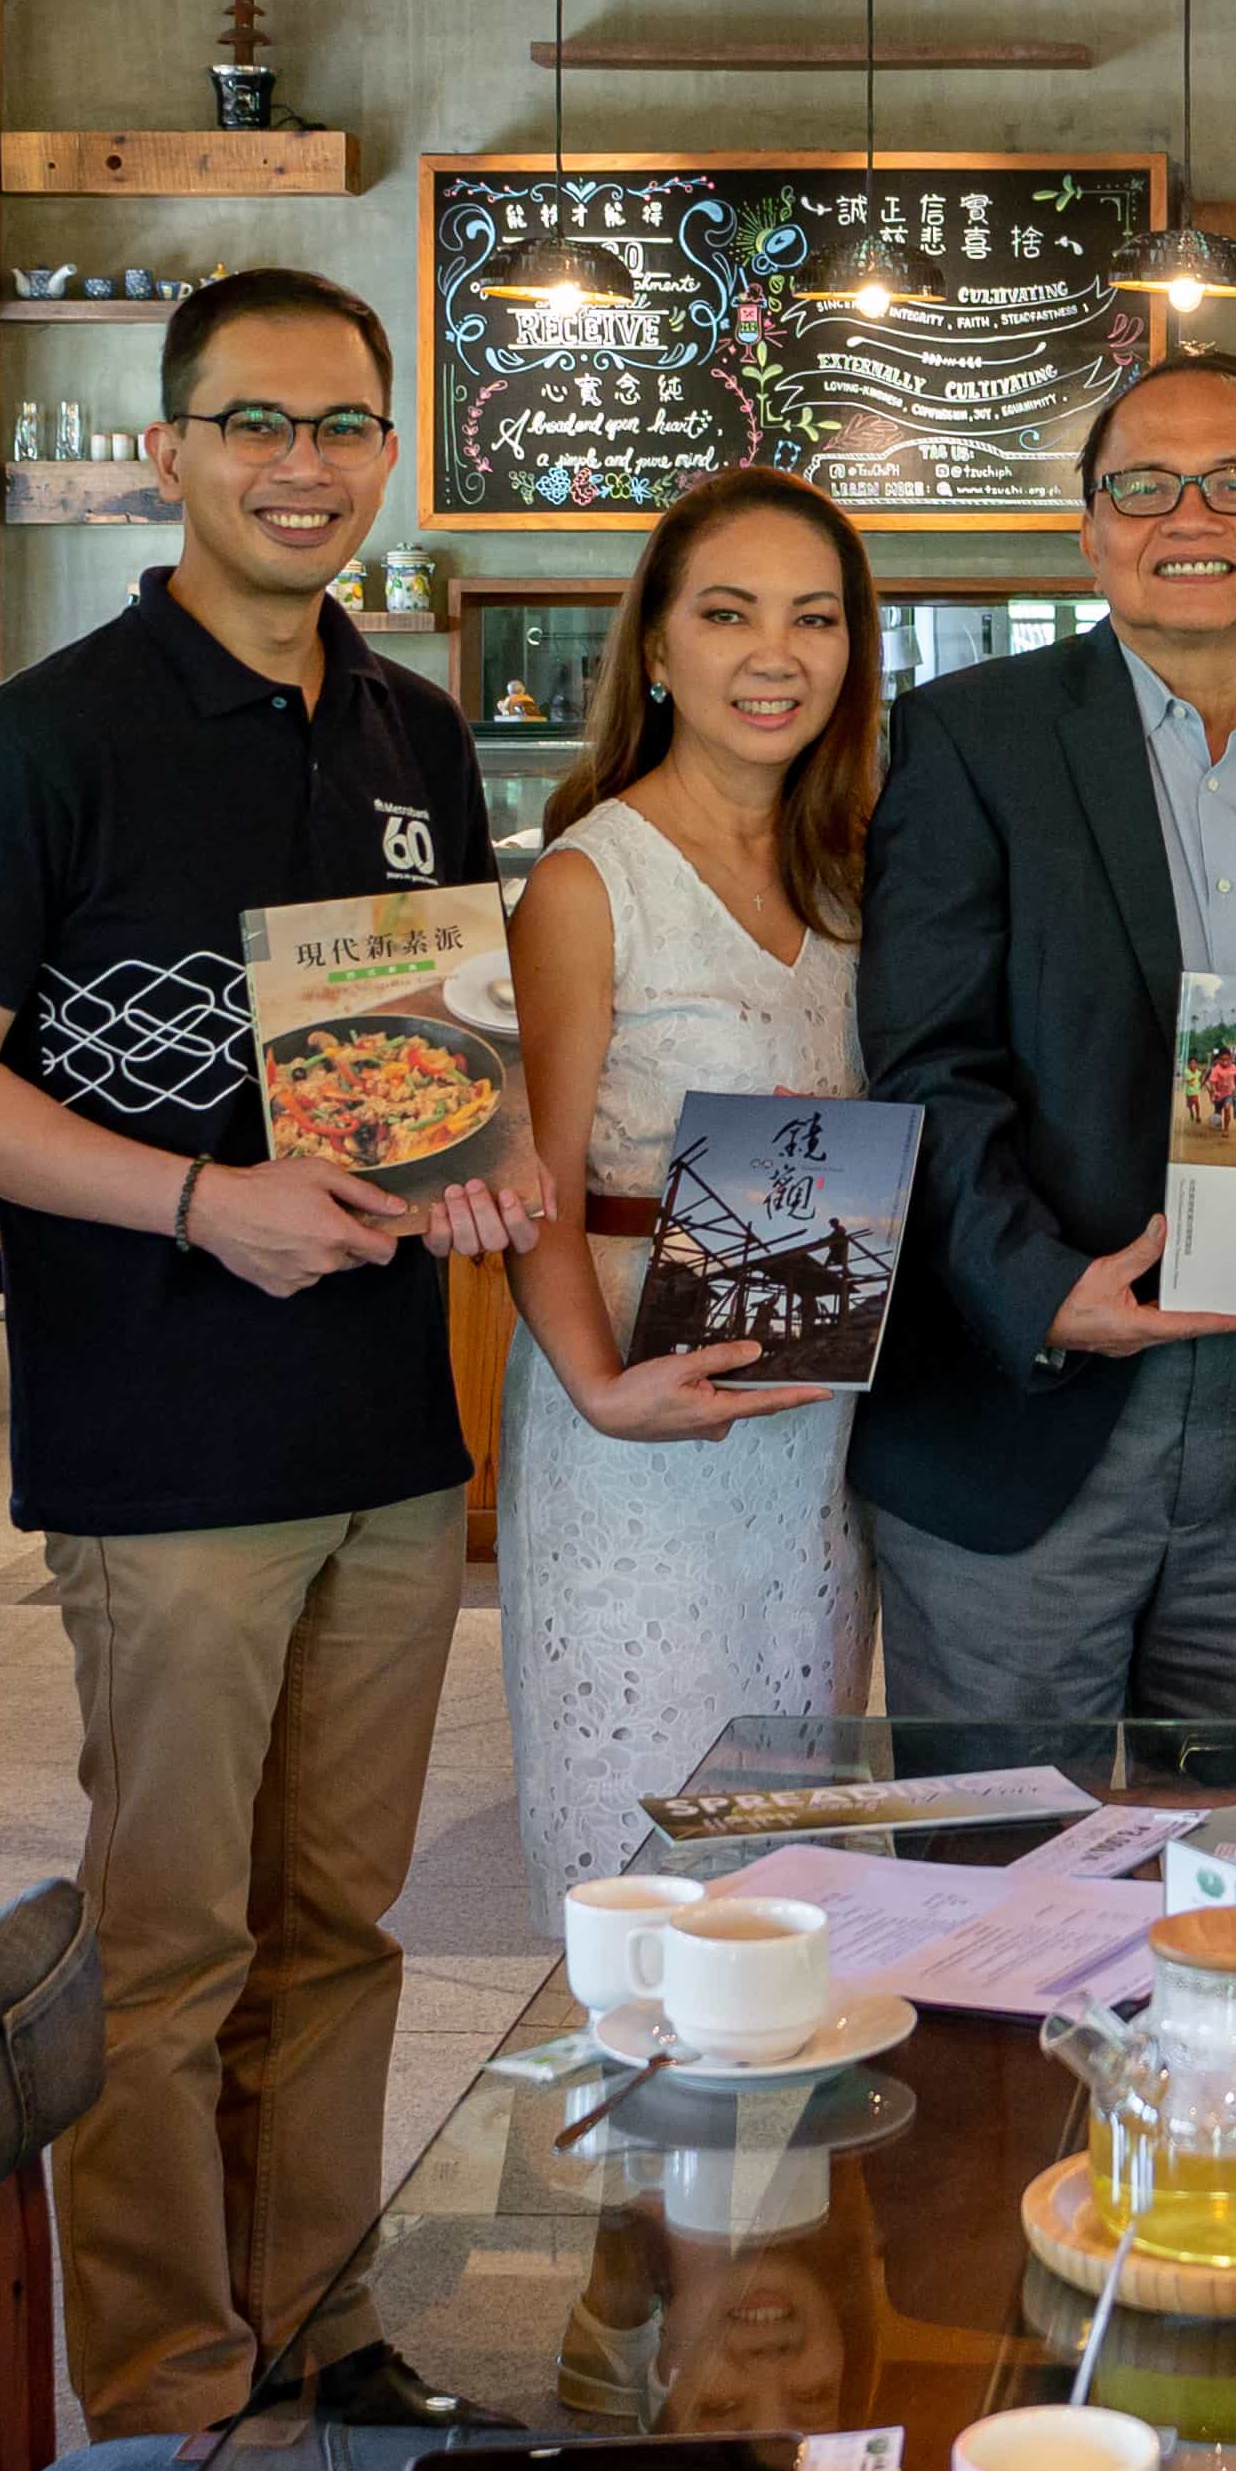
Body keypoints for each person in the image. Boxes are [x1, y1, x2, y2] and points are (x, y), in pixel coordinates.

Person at [0, 268, 541, 2440]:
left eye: (344, 424)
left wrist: (484, 1151)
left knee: (343, 1917)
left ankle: (319, 2314)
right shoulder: (42, 734)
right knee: (168, 1947)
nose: (303, 464)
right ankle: (168, 2379)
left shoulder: (411, 728)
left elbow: (439, 1042)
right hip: (161, 1433)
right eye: (256, 422)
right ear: (166, 452)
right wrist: (197, 1196)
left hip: (385, 1424)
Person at [855, 349, 1236, 1719]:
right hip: (1032, 1402)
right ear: (1090, 529)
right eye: (1145, 484)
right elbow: (925, 1061)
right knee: (1007, 1879)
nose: (1193, 518)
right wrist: (1041, 1293)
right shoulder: (966, 739)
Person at [496, 467, 882, 1906]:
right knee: (651, 1869)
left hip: (816, 1426)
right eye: (727, 615)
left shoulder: (853, 868)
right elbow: (528, 1174)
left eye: (814, 619)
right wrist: (600, 1388)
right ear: (655, 649)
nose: (774, 655)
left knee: (804, 1860)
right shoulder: (591, 882)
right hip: (634, 1424)